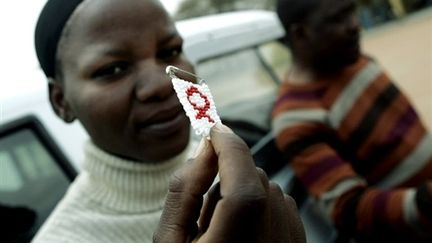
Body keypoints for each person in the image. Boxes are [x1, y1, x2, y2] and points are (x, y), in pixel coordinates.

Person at [31, 0, 306, 242]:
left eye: (170, 51)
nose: (162, 85)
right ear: (61, 101)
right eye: (113, 69)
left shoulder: (228, 168)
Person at [274, 0, 432, 242]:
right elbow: (350, 211)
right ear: (300, 33)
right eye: (337, 19)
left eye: (351, 12)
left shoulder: (356, 60)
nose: (355, 25)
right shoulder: (295, 120)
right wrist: (425, 200)